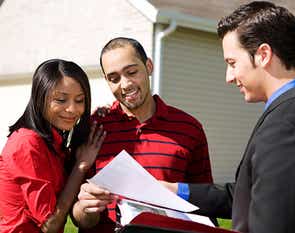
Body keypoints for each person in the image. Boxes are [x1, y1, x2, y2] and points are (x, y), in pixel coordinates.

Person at [162, 1, 295, 233]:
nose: (229, 77)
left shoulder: (285, 128)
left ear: (263, 55)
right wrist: (174, 191)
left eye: (232, 63)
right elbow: (248, 194)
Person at [71, 37, 213, 232]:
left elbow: (205, 205)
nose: (125, 84)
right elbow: (78, 217)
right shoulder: (93, 129)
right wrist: (86, 209)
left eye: (131, 72)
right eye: (114, 78)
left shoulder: (189, 128)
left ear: (148, 66)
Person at [0, 59, 106, 233]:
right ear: (40, 98)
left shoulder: (53, 142)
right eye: (61, 100)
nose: (72, 109)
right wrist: (81, 166)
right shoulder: (27, 142)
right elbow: (50, 225)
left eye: (79, 100)